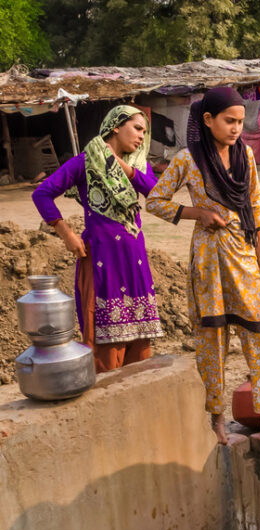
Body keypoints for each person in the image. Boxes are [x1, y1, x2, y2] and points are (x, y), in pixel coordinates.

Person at [147, 87, 260, 445]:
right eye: (229, 121)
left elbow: (255, 199)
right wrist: (197, 213)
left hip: (243, 251)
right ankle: (217, 417)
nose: (237, 128)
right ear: (208, 120)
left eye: (240, 121)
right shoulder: (188, 160)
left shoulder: (245, 157)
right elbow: (155, 202)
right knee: (212, 342)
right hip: (208, 258)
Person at [32, 106, 164, 374]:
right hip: (102, 257)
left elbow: (156, 193)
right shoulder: (85, 162)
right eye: (137, 128)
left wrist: (125, 169)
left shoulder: (138, 164)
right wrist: (66, 233)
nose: (141, 137)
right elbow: (42, 193)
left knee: (139, 345)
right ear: (116, 125)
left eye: (144, 132)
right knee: (102, 336)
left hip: (134, 257)